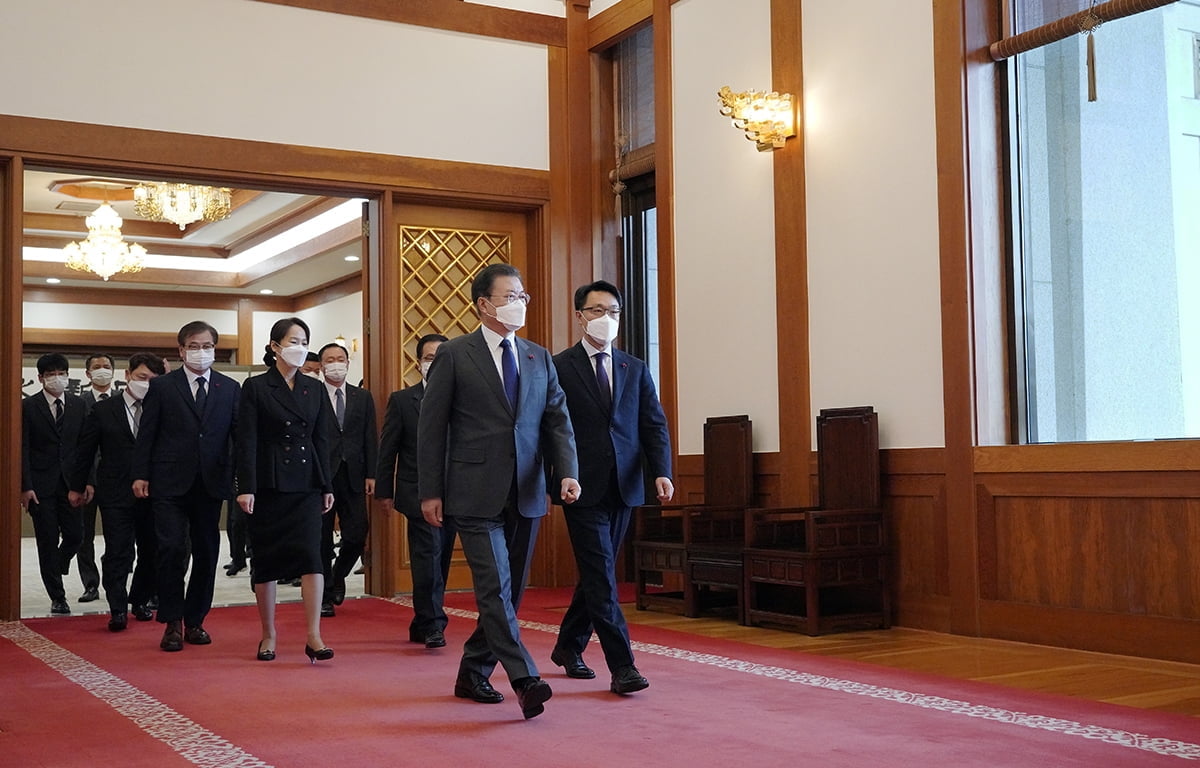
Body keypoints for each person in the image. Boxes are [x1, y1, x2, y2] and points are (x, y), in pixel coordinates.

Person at [417, 263, 580, 720]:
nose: (519, 304)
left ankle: (472, 671)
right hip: (472, 490)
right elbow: (431, 429)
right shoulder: (455, 353)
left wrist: (566, 472)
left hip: (527, 489)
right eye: (510, 297)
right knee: (494, 587)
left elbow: (557, 421)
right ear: (483, 304)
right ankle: (525, 678)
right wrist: (430, 490)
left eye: (523, 296)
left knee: (511, 592)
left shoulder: (537, 356)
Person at [549, 280, 674, 695]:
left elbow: (652, 424)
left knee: (595, 573)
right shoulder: (559, 366)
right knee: (602, 575)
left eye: (614, 311)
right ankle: (623, 666)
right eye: (598, 310)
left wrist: (662, 471)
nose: (607, 318)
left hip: (626, 484)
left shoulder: (633, 367)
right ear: (580, 315)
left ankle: (568, 646)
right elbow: (550, 426)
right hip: (580, 486)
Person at [133, 321, 240, 653]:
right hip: (168, 483)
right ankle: (172, 621)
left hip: (211, 482)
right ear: (180, 350)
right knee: (171, 550)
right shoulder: (163, 387)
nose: (201, 352)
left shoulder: (229, 388)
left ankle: (196, 620)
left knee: (207, 552)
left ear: (215, 349)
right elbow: (147, 434)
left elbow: (237, 438)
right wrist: (141, 474)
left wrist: (241, 479)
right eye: (194, 346)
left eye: (207, 346)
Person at [235, 317, 336, 663]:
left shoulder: (315, 388)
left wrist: (326, 484)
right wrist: (246, 486)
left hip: (306, 483)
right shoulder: (257, 387)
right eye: (293, 341)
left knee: (312, 557)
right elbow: (245, 440)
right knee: (266, 559)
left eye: (304, 340)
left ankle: (314, 634)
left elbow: (322, 439)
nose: (300, 347)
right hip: (269, 483)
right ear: (275, 347)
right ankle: (269, 633)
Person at [71, 353, 167, 631]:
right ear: (127, 375)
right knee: (118, 551)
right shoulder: (104, 410)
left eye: (153, 379)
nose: (146, 384)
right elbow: (85, 451)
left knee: (151, 551)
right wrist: (77, 487)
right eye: (141, 377)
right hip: (114, 492)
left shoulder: (161, 409)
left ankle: (139, 599)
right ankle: (117, 608)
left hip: (153, 492)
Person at [376, 333, 456, 648]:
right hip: (417, 493)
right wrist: (385, 491)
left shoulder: (462, 399)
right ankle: (434, 623)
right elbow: (388, 450)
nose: (433, 363)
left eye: (440, 357)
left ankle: (422, 621)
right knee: (427, 559)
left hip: (456, 493)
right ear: (418, 361)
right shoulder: (402, 400)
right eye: (428, 357)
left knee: (442, 560)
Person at [21, 353, 87, 615]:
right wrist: (25, 486)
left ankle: (58, 562)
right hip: (40, 486)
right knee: (46, 540)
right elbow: (22, 448)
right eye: (51, 374)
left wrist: (86, 482)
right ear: (40, 378)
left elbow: (86, 448)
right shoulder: (27, 407)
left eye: (62, 373)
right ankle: (58, 596)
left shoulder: (79, 405)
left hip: (71, 483)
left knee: (76, 535)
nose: (57, 378)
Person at [317, 341, 377, 618]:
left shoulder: (362, 397)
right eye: (330, 359)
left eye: (340, 358)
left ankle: (338, 575)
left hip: (354, 474)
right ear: (321, 365)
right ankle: (325, 595)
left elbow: (369, 437)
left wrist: (372, 474)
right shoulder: (312, 394)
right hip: (321, 476)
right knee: (321, 539)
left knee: (356, 534)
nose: (336, 363)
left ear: (348, 363)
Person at [75, 352, 117, 604]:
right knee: (84, 535)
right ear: (88, 374)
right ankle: (90, 584)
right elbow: (79, 448)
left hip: (115, 481)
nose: (103, 370)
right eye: (97, 367)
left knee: (118, 535)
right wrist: (84, 480)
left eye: (107, 366)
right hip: (87, 481)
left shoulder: (123, 401)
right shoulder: (79, 404)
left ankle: (115, 579)